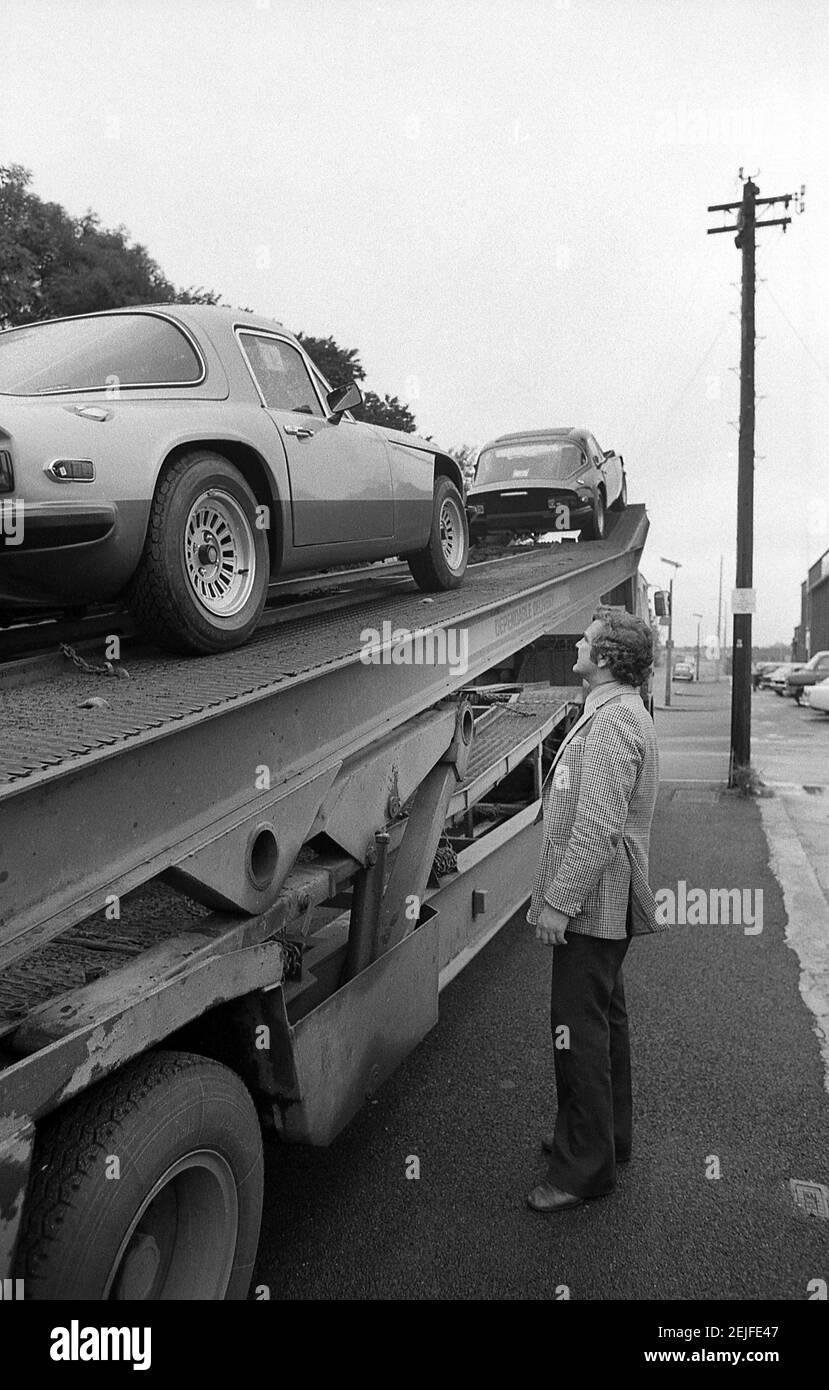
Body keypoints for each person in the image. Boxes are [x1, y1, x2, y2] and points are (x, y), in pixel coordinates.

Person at [525, 606, 662, 1213]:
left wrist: (558, 904)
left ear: (604, 659)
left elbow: (599, 828)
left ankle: (582, 1171)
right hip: (605, 905)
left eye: (584, 641)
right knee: (603, 1026)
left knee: (577, 1035)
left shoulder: (611, 723)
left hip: (594, 906)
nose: (576, 646)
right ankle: (605, 1140)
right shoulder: (618, 710)